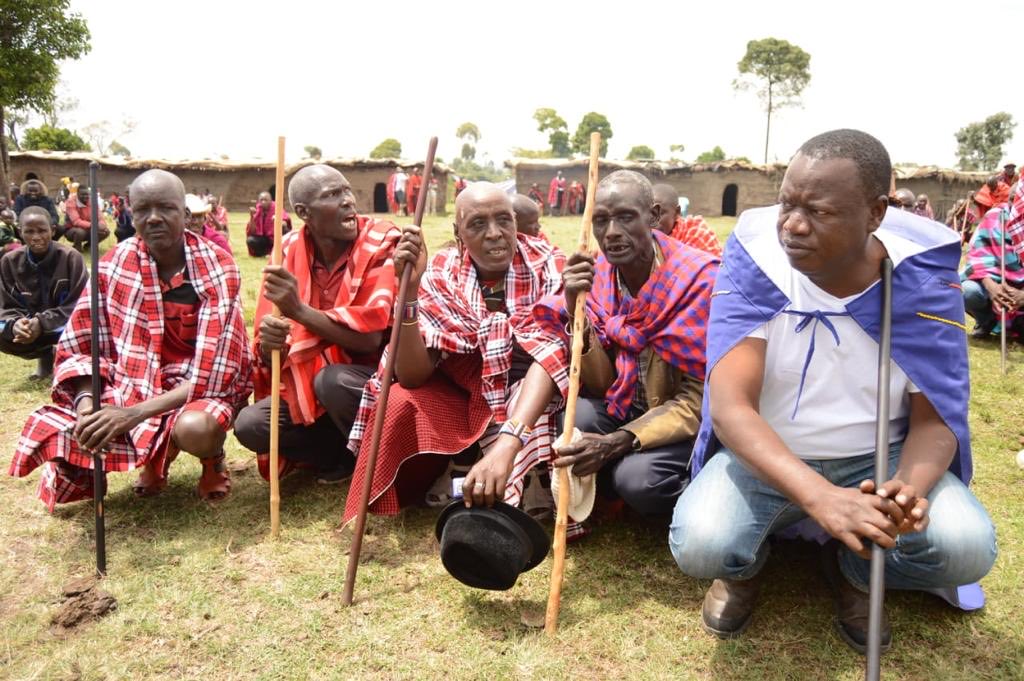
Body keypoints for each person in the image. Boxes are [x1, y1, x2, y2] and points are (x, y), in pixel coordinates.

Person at [668, 129, 995, 653]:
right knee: (703, 544)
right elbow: (731, 409)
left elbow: (936, 420)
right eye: (786, 204)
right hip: (767, 455)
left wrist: (905, 491)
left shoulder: (922, 282)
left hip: (877, 460)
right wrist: (821, 497)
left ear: (876, 213)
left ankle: (855, 571)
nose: (792, 227)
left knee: (966, 549)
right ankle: (745, 569)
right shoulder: (758, 268)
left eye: (818, 212)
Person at [9, 169, 253, 508]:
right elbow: (83, 348)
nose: (153, 218)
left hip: (194, 387)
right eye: (142, 210)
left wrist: (133, 414)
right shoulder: (113, 265)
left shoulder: (218, 267)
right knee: (60, 427)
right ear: (131, 215)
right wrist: (87, 408)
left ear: (184, 214)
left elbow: (213, 373)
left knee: (196, 428)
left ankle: (211, 462)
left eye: (165, 208)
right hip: (131, 381)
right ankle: (155, 457)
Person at [342, 182, 569, 522]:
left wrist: (509, 435)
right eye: (478, 224)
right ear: (458, 232)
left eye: (504, 220)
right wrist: (410, 293)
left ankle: (514, 474)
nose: (495, 234)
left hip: (531, 396)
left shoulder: (549, 266)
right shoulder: (440, 272)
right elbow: (413, 375)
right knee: (399, 401)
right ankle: (453, 472)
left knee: (541, 390)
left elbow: (552, 353)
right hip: (462, 395)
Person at [535, 170, 717, 523]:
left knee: (638, 480)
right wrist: (578, 311)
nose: (612, 232)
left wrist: (621, 440)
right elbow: (602, 385)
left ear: (653, 215)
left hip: (678, 420)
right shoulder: (598, 277)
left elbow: (700, 400)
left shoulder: (698, 280)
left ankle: (702, 501)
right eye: (601, 220)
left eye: (626, 217)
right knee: (578, 418)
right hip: (622, 407)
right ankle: (611, 484)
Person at [234, 165, 401, 484]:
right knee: (251, 424)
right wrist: (272, 342)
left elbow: (368, 339)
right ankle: (338, 454)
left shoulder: (378, 244)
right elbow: (269, 346)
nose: (348, 201)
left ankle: (376, 457)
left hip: (372, 383)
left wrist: (299, 310)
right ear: (303, 212)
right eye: (332, 195)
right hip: (309, 388)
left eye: (347, 190)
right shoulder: (285, 253)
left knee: (332, 381)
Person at [0, 207, 86, 378]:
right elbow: (6, 304)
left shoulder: (71, 258)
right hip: (30, 330)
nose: (36, 237)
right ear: (20, 232)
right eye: (29, 231)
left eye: (42, 231)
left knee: (88, 328)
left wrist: (43, 323)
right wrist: (16, 324)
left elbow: (80, 303)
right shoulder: (9, 261)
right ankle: (45, 355)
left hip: (66, 327)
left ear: (53, 230)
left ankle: (70, 365)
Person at [961, 193, 1023, 337]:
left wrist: (1022, 295)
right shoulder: (995, 216)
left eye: (1019, 199)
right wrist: (991, 287)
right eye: (1012, 198)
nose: (1014, 203)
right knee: (968, 291)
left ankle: (1015, 326)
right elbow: (977, 256)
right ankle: (986, 321)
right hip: (994, 281)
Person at [652, 183, 723, 257]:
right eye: (650, 213)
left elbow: (713, 266)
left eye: (660, 213)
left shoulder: (696, 233)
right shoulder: (644, 237)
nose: (653, 220)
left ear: (677, 212)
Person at [64, 184, 111, 251]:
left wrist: (102, 224)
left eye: (87, 194)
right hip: (72, 229)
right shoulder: (70, 202)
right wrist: (92, 225)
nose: (85, 197)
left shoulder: (92, 201)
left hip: (89, 227)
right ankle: (77, 247)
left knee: (105, 232)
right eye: (82, 195)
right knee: (80, 232)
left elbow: (100, 217)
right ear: (77, 194)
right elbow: (76, 221)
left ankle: (89, 246)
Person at [245, 191, 292, 257]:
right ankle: (264, 253)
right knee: (250, 240)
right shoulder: (258, 210)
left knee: (285, 231)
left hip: (277, 238)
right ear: (259, 201)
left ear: (270, 200)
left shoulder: (277, 208)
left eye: (266, 200)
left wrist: (278, 220)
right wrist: (252, 217)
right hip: (265, 239)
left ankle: (282, 252)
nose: (263, 202)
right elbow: (252, 231)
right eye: (261, 200)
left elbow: (285, 224)